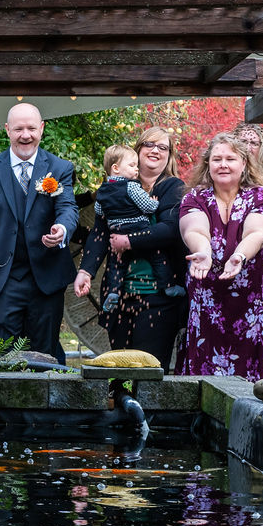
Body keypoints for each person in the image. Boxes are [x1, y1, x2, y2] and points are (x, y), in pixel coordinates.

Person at [0, 102, 78, 364]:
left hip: (46, 278)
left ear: (42, 129)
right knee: (2, 356)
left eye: (32, 128)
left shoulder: (60, 168)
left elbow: (68, 207)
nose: (26, 135)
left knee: (46, 356)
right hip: (2, 277)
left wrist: (62, 229)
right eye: (19, 129)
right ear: (7, 130)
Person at [74, 126, 186, 370]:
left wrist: (130, 240)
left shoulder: (172, 188)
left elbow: (170, 229)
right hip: (120, 293)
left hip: (157, 296)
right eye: (149, 144)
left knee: (149, 370)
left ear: (169, 156)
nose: (155, 150)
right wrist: (85, 271)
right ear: (138, 150)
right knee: (119, 369)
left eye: (163, 147)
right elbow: (100, 232)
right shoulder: (115, 188)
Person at [178, 133, 263, 381]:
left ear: (244, 163)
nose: (223, 164)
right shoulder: (195, 198)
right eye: (216, 159)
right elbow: (195, 229)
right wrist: (203, 251)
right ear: (207, 165)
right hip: (209, 305)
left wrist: (240, 255)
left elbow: (259, 231)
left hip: (253, 306)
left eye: (230, 159)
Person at [78, 144, 183, 315]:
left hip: (117, 233)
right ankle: (169, 286)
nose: (135, 169)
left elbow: (100, 213)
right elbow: (147, 207)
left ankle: (113, 292)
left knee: (116, 265)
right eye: (132, 165)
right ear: (116, 168)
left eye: (163, 147)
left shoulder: (103, 191)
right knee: (158, 257)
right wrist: (154, 202)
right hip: (139, 229)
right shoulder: (132, 186)